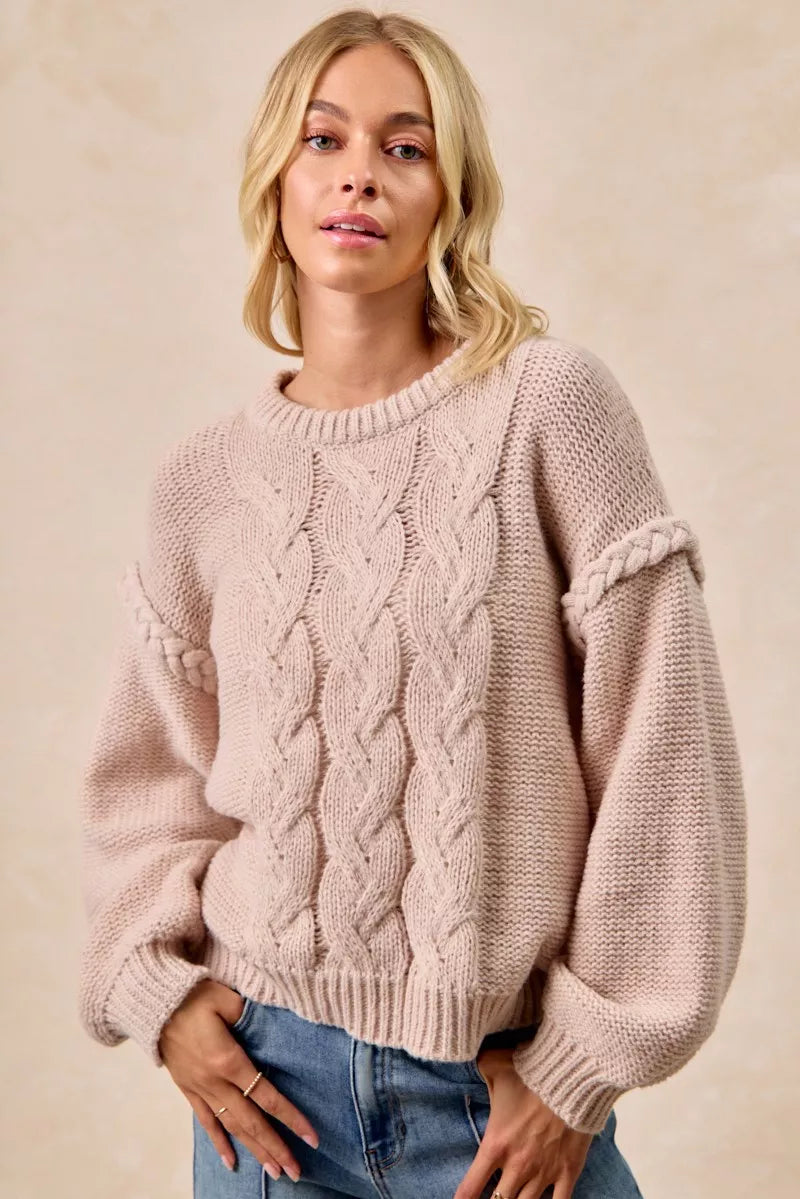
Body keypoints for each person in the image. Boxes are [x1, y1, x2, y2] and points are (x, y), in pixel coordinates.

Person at [77, 9, 747, 1199]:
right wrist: (159, 994)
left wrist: (580, 1068)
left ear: (452, 194)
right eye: (322, 139)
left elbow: (663, 750)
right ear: (275, 177)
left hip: (495, 1099)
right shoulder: (202, 483)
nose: (358, 175)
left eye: (404, 147)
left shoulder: (550, 409)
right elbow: (148, 780)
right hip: (263, 1099)